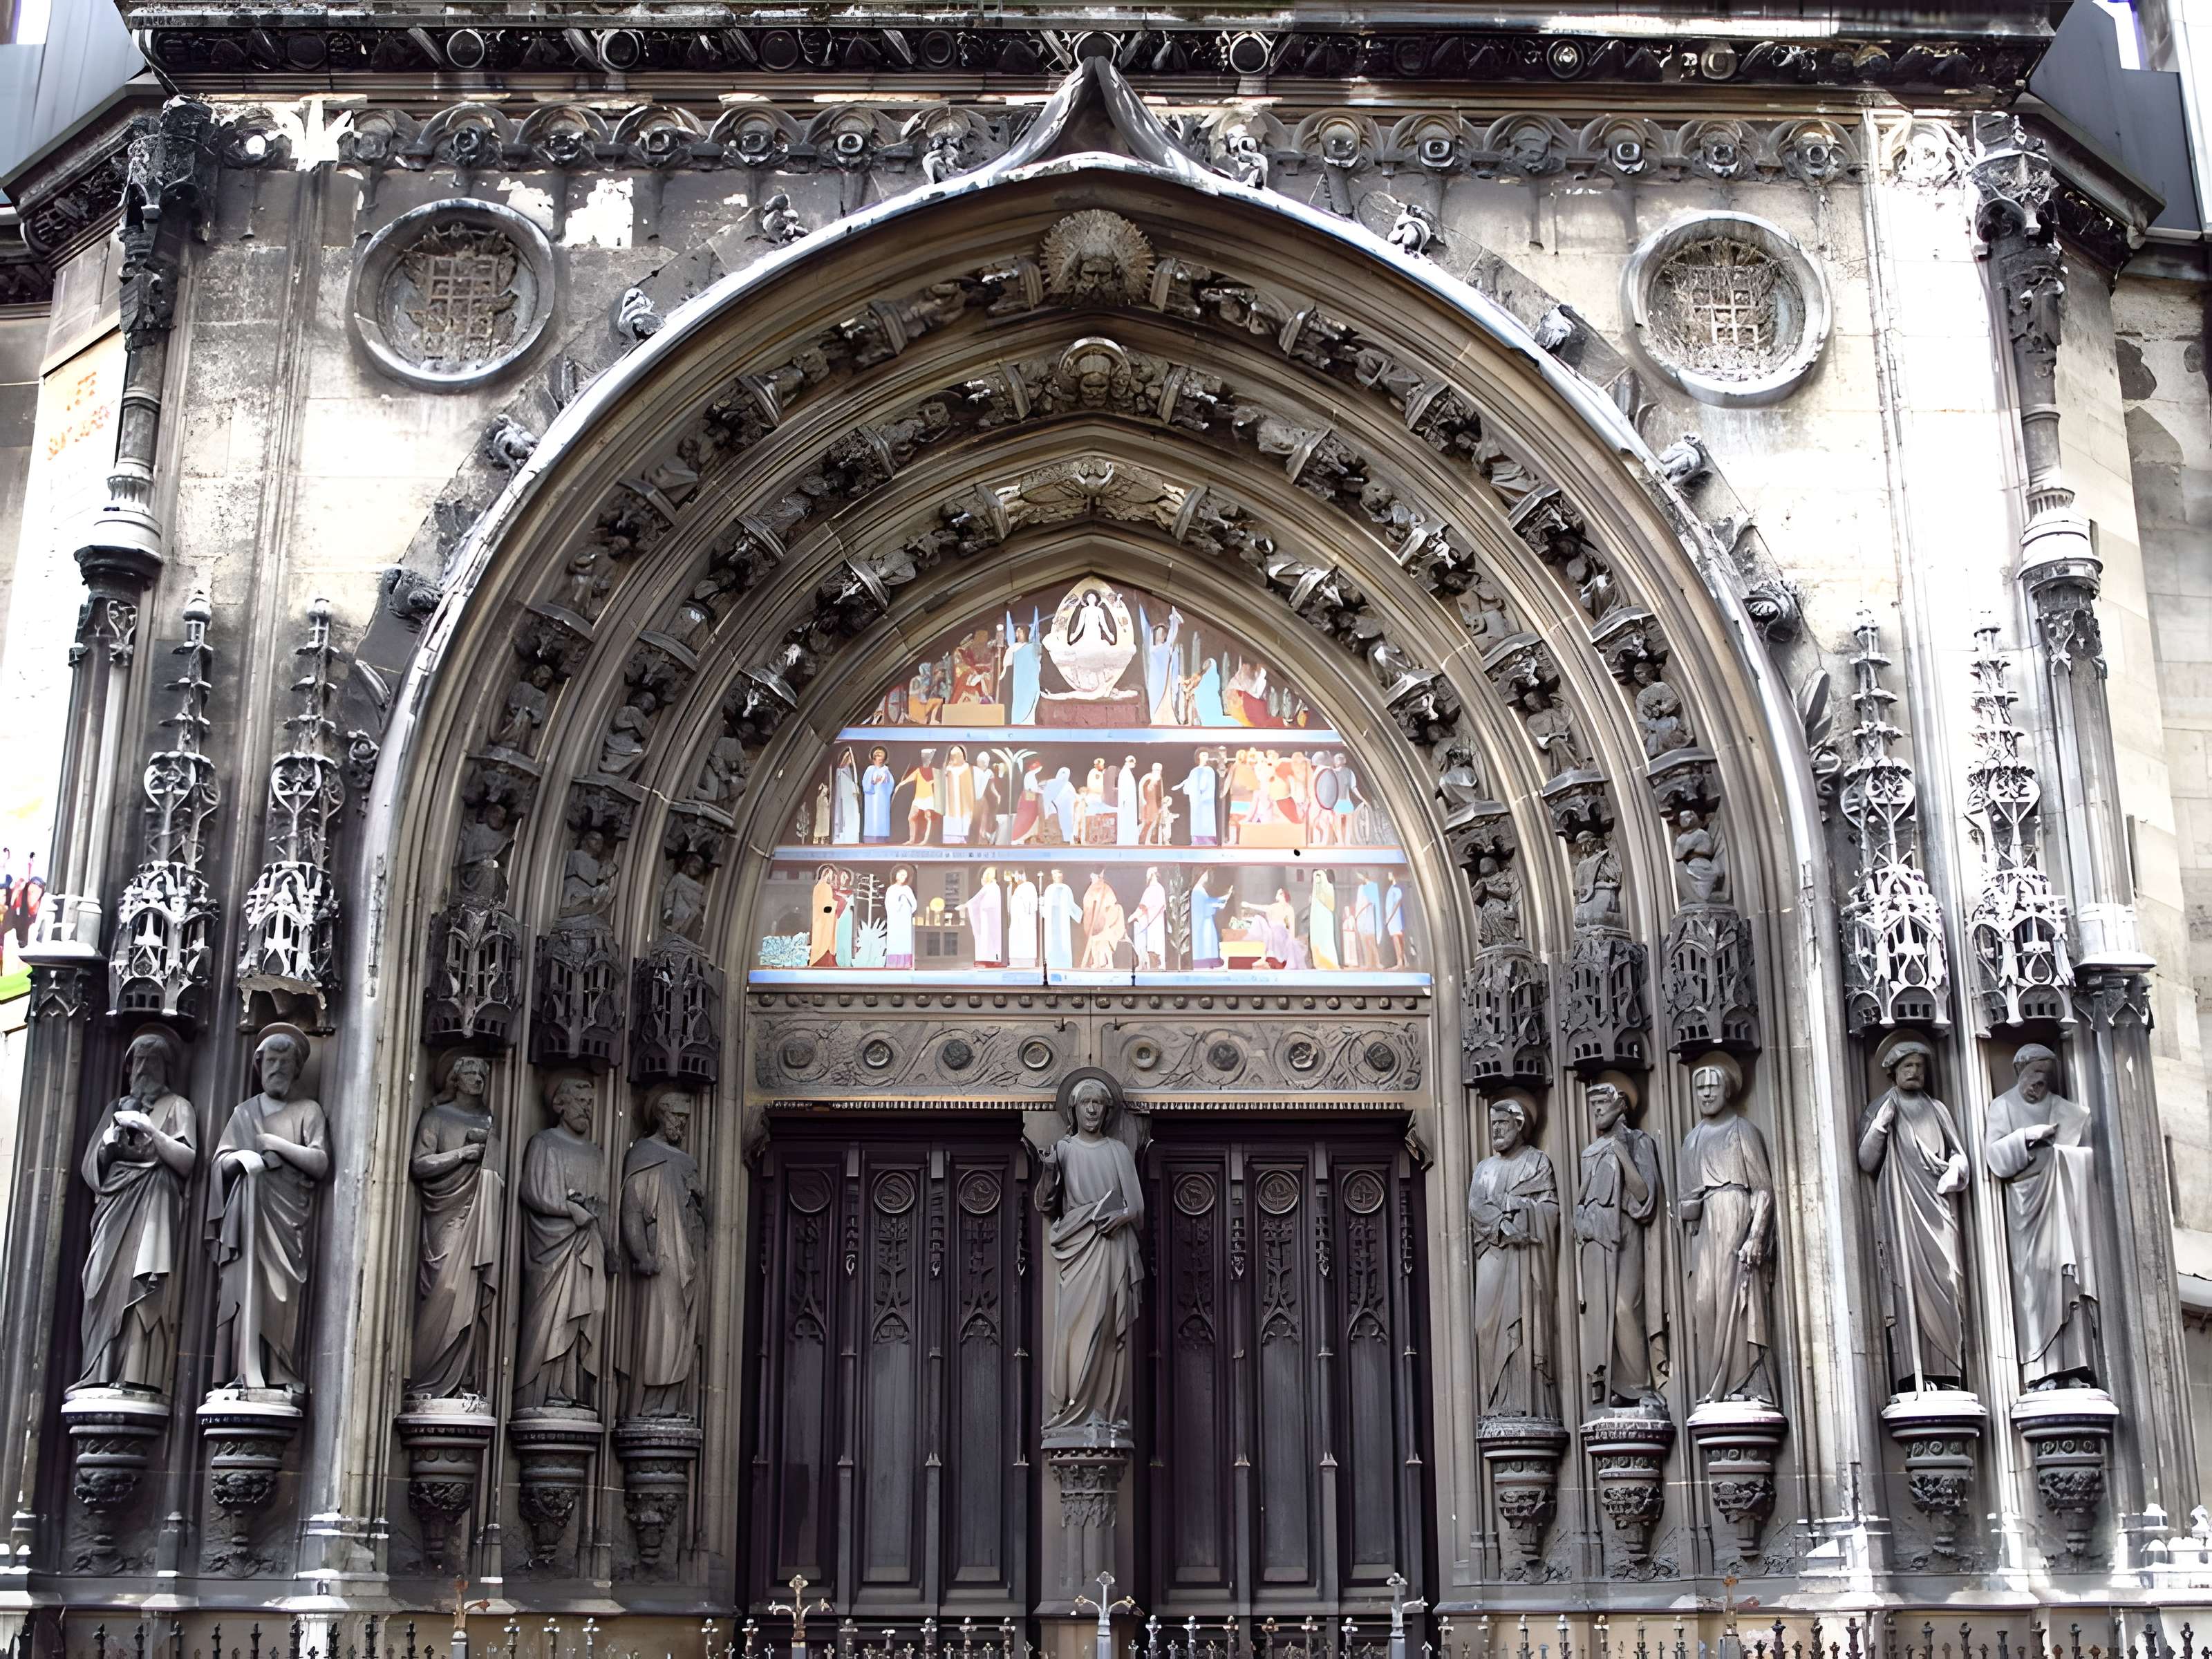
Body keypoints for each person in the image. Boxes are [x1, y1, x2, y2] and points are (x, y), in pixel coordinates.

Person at [207, 1027, 331, 1392]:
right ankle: (244, 1371)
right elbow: (220, 1163)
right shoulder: (244, 1112)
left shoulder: (308, 1111)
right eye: (270, 1061)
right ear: (259, 1066)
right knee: (245, 1287)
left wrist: (275, 1144)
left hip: (287, 1220)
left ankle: (279, 1368)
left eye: (284, 1062)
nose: (276, 1068)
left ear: (297, 1070)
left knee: (282, 1291)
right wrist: (240, 1157)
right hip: (247, 1220)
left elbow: (320, 1161)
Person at [76, 1029, 196, 1393]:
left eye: (152, 1060)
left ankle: (136, 1377)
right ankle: (98, 1372)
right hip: (114, 1208)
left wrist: (151, 1132)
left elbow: (187, 1161)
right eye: (137, 1061)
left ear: (167, 1068)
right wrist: (110, 1146)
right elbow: (91, 1169)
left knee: (142, 1286)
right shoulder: (115, 1108)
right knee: (98, 1280)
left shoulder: (177, 1107)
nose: (143, 1068)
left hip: (152, 1210)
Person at [1032, 1075, 1146, 1438]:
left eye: (1098, 1103)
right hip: (1075, 1250)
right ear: (1075, 1109)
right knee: (1072, 1328)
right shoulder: (1064, 1150)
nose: (1093, 1109)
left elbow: (1138, 1209)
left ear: (1107, 1110)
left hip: (1111, 1248)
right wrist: (1049, 1169)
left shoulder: (1118, 1152)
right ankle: (1071, 1409)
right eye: (1086, 1103)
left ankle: (1103, 1412)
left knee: (1106, 1330)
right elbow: (1045, 1204)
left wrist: (1120, 1216)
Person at [1987, 1043, 2101, 1388]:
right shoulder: (2003, 1106)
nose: (2039, 1082)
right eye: (2034, 1073)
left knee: (2067, 1281)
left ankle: (2073, 1368)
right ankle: (2039, 1370)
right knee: (2033, 1288)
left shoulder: (2065, 1110)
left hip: (2060, 1206)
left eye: (2046, 1076)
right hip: (2025, 1207)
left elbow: (2088, 1159)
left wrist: (2066, 1156)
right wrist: (2026, 1136)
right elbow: (1994, 1159)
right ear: (2020, 1069)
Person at [1859, 1036, 1970, 1391]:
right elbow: (1866, 1161)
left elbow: (1959, 1154)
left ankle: (1948, 1373)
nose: (1915, 1072)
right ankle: (1913, 1376)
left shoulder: (1937, 1109)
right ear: (1893, 1071)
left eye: (1920, 1067)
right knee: (1905, 1285)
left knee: (1947, 1281)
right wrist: (1880, 1126)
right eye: (1908, 1066)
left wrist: (1957, 1168)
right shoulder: (1881, 1108)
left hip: (1937, 1210)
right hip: (1901, 1213)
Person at [1678, 1053, 1777, 1405]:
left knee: (1741, 1303)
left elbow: (1763, 1188)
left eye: (1712, 1086)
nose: (1705, 1093)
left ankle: (1750, 1385)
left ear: (1729, 1090)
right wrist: (1686, 1209)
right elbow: (1685, 1200)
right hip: (1706, 1231)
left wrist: (1755, 1236)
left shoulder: (1742, 1130)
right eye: (1700, 1087)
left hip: (1737, 1221)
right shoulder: (1691, 1140)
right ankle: (1714, 1387)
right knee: (1705, 1303)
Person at [406, 1052, 503, 1400]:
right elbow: (420, 1165)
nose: (478, 1077)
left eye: (482, 1071)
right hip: (445, 1212)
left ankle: (460, 1381)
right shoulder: (437, 1117)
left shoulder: (492, 1121)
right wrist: (462, 1155)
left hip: (480, 1214)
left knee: (470, 1295)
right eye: (471, 1070)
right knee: (445, 1288)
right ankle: (427, 1380)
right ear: (455, 1079)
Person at [516, 1074, 606, 1409]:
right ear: (559, 1104)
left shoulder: (596, 1155)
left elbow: (603, 1205)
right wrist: (571, 1210)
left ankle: (573, 1390)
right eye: (581, 1102)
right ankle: (539, 1394)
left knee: (585, 1315)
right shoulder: (544, 1143)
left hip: (588, 1249)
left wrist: (608, 1246)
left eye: (591, 1103)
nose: (588, 1108)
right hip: (553, 1251)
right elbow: (533, 1193)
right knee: (551, 1317)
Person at [1575, 1075, 1665, 1409]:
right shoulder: (1589, 1154)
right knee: (1601, 1314)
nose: (1596, 1110)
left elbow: (1645, 1197)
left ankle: (1640, 1386)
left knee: (1626, 1307)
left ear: (1621, 1105)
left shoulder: (1638, 1142)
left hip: (1627, 1235)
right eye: (1592, 1105)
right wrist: (1584, 1225)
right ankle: (1610, 1385)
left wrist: (1622, 1156)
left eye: (1602, 1103)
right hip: (1598, 1239)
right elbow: (1581, 1204)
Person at [1468, 1095, 1559, 1419]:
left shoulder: (1537, 1163)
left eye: (1502, 1124)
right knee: (1486, 1326)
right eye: (1492, 1125)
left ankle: (1526, 1404)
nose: (1496, 1131)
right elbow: (1477, 1208)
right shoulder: (1484, 1169)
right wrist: (1506, 1222)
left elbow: (1550, 1210)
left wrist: (1524, 1212)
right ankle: (1497, 1402)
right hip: (1494, 1252)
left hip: (1526, 1260)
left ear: (1519, 1126)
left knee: (1523, 1327)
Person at [620, 1090, 708, 1419]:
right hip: (663, 1256)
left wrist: (698, 1197)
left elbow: (702, 1214)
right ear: (661, 1115)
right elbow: (632, 1209)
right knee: (662, 1327)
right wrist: (641, 1253)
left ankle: (672, 1403)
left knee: (686, 1329)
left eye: (686, 1119)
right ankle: (648, 1406)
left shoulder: (687, 1161)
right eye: (678, 1118)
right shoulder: (644, 1153)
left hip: (690, 1254)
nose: (683, 1125)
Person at [1080, 870, 1126, 970]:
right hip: (1094, 922)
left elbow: (1112, 904)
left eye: (1094, 878)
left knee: (1105, 944)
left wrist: (1106, 915)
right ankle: (1096, 963)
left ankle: (1110, 963)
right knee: (1094, 944)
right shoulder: (1091, 889)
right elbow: (1087, 903)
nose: (1093, 880)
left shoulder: (1106, 889)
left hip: (1104, 922)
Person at [962, 865, 1005, 968]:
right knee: (992, 938)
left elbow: (975, 900)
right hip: (991, 917)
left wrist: (965, 906)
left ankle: (988, 958)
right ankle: (993, 958)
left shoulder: (989, 887)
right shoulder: (995, 888)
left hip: (988, 917)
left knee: (988, 938)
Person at [1004, 614, 1042, 724]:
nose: (1017, 634)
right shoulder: (1014, 648)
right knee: (1019, 705)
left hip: (1031, 681)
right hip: (1019, 682)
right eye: (1017, 631)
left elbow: (1038, 659)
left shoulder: (1033, 647)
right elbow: (1007, 663)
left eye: (1020, 631)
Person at [1130, 867, 1168, 971]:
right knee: (1153, 943)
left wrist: (1133, 916)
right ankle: (1150, 964)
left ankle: (1158, 964)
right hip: (1152, 920)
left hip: (1154, 921)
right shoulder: (1158, 888)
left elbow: (1143, 907)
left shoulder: (1154, 889)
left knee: (1156, 944)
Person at [1189, 870, 1228, 970]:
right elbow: (1207, 905)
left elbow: (1208, 902)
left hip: (1205, 919)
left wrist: (1221, 900)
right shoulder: (1198, 890)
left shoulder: (1199, 889)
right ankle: (1206, 961)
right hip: (1203, 921)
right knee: (1206, 942)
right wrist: (1222, 900)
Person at [901, 751, 941, 845]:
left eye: (927, 757)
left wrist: (933, 782)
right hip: (918, 798)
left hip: (928, 797)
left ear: (930, 759)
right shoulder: (919, 770)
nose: (925, 759)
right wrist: (900, 785)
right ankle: (911, 839)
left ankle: (926, 840)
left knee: (928, 817)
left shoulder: (934, 771)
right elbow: (909, 779)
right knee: (911, 817)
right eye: (924, 757)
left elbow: (940, 779)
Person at [1043, 869, 1079, 972]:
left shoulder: (1066, 889)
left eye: (1059, 875)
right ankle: (1052, 963)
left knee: (1063, 940)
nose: (1057, 877)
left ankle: (1064, 963)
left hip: (1062, 918)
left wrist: (1081, 916)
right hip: (1052, 919)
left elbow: (1071, 905)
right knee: (1052, 941)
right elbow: (1045, 907)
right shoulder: (1049, 889)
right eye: (1055, 875)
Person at [1179, 753, 1219, 847]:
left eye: (1207, 755)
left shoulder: (1210, 771)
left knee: (1206, 823)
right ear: (1198, 757)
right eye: (1203, 755)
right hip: (1196, 803)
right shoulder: (1194, 771)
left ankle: (1209, 843)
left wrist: (1205, 797)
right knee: (1197, 824)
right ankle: (1197, 842)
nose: (1206, 757)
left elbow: (1209, 787)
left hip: (1206, 803)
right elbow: (1188, 787)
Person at [884, 866, 918, 969]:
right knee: (895, 942)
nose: (902, 877)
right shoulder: (891, 889)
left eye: (905, 875)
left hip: (905, 920)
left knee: (905, 942)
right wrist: (898, 904)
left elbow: (914, 905)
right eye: (901, 874)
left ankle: (905, 964)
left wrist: (906, 906)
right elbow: (889, 905)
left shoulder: (907, 889)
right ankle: (894, 965)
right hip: (895, 920)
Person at [941, 745, 975, 845]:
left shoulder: (967, 769)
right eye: (953, 756)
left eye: (958, 755)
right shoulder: (947, 770)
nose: (955, 758)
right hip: (950, 809)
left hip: (964, 809)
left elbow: (970, 790)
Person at [861, 746, 895, 844]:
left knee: (882, 822)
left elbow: (891, 785)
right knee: (872, 822)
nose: (879, 758)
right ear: (873, 757)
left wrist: (886, 781)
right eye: (877, 756)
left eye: (881, 756)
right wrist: (873, 782)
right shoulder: (870, 769)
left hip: (883, 801)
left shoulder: (886, 771)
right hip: (871, 801)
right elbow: (866, 786)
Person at [1009, 870, 1041, 971]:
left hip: (1025, 927)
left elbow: (1031, 907)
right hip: (1017, 928)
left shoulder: (1028, 886)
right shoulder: (1016, 889)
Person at [1310, 870, 1340, 970]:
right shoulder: (1314, 893)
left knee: (1325, 943)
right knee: (1316, 941)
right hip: (1317, 921)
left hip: (1325, 919)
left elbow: (1331, 905)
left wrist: (1321, 895)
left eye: (1319, 876)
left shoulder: (1329, 887)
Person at [832, 748, 862, 845]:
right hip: (844, 801)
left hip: (852, 801)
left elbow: (854, 784)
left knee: (853, 819)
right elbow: (842, 786)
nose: (850, 760)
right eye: (848, 758)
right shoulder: (840, 772)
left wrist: (856, 791)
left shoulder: (851, 771)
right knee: (845, 820)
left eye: (851, 758)